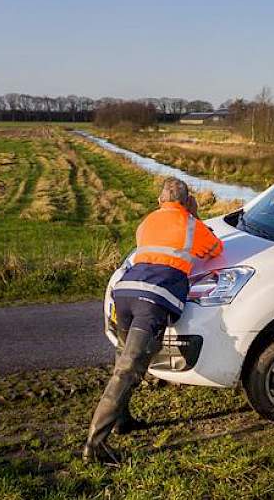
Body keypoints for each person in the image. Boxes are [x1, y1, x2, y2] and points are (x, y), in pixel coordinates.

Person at [83, 177, 223, 464]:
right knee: (127, 371)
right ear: (187, 201)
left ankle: (122, 421)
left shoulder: (147, 221)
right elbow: (215, 250)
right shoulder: (192, 225)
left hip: (125, 292)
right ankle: (95, 445)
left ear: (160, 201)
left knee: (123, 357)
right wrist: (194, 216)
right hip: (153, 298)